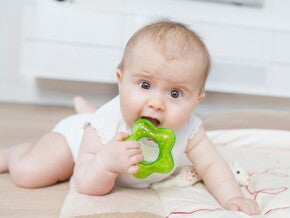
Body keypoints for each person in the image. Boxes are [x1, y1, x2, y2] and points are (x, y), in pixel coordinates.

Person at [0, 20, 259, 215]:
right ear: (121, 82)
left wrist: (231, 198)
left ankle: (86, 107)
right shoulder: (103, 125)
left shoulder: (191, 128)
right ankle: (14, 153)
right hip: (73, 142)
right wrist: (106, 163)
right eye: (145, 85)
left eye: (175, 93)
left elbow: (212, 165)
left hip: (93, 127)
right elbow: (85, 184)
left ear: (197, 100)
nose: (156, 103)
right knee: (30, 174)